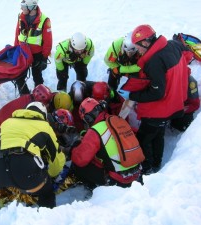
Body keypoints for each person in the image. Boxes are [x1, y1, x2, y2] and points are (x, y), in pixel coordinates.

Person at [0, 102, 65, 219]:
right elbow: (57, 159)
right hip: (25, 169)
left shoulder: (7, 122)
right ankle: (47, 219)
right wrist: (51, 175)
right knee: (46, 192)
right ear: (43, 115)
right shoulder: (45, 127)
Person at [118, 24, 194, 175]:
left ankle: (146, 169)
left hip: (159, 109)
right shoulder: (172, 45)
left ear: (146, 42)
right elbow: (187, 55)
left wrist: (132, 95)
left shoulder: (154, 61)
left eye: (138, 47)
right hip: (174, 102)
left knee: (142, 139)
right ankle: (157, 164)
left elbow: (157, 93)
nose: (137, 51)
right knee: (158, 134)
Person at [70, 98, 142, 189]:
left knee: (78, 165)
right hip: (136, 173)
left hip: (119, 180)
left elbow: (80, 160)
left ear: (88, 119)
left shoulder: (95, 131)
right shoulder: (118, 120)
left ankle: (92, 188)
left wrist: (74, 147)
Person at [14, 0, 52, 95]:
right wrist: (16, 50)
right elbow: (17, 35)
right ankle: (25, 96)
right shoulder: (20, 17)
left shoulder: (44, 20)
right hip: (23, 53)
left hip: (37, 55)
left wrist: (44, 57)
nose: (21, 8)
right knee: (19, 77)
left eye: (23, 6)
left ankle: (40, 98)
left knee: (37, 77)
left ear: (31, 7)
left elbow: (48, 41)